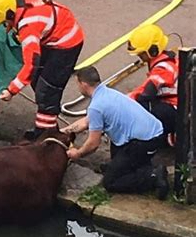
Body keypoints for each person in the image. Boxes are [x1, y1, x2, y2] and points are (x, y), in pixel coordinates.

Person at [0, 0, 84, 141]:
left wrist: (11, 90)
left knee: (47, 89)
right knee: (38, 83)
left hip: (67, 45)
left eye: (4, 22)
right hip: (53, 36)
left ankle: (46, 135)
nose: (5, 26)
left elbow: (31, 65)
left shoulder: (28, 27)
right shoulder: (13, 0)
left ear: (10, 15)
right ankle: (47, 124)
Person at [61, 66, 169, 200]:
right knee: (116, 160)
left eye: (77, 84)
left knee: (110, 182)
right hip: (152, 132)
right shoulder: (107, 93)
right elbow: (87, 121)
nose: (78, 88)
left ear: (83, 84)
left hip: (145, 142)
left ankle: (152, 176)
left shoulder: (96, 106)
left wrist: (78, 153)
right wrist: (64, 132)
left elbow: (93, 144)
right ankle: (131, 165)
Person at [127, 24, 178, 146]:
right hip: (176, 104)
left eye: (141, 53)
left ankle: (169, 137)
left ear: (152, 51)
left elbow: (146, 92)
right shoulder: (164, 61)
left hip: (176, 109)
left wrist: (125, 102)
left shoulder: (163, 69)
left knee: (147, 115)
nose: (139, 56)